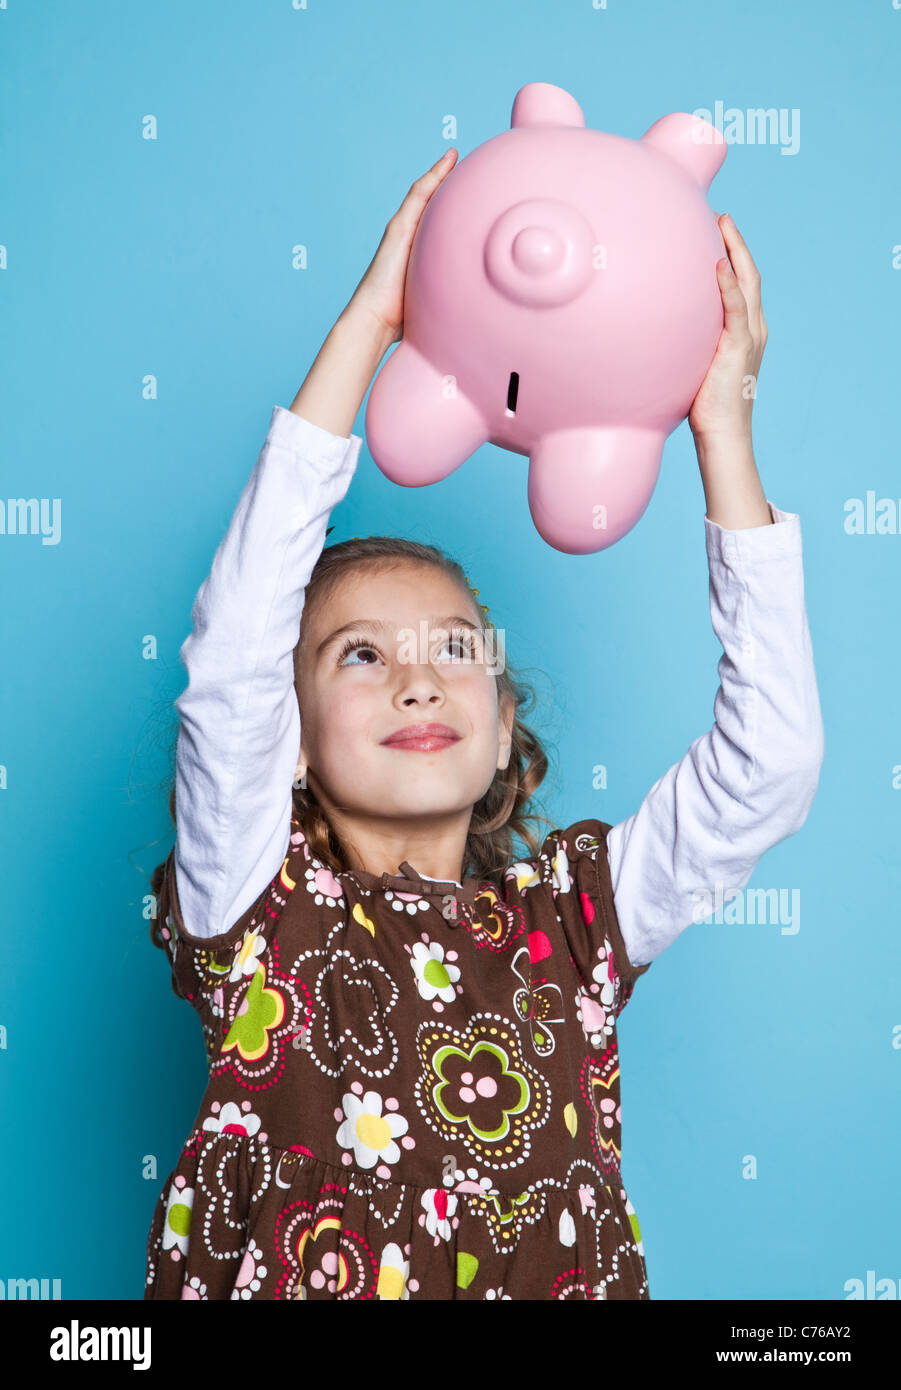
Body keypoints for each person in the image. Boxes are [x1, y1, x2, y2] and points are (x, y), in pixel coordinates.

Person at [143, 150, 824, 1300]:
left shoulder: (579, 922)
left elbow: (771, 765)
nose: (419, 681)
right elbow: (233, 655)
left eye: (456, 651)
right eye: (361, 655)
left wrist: (723, 432)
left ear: (504, 729)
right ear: (290, 738)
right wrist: (370, 323)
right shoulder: (252, 905)